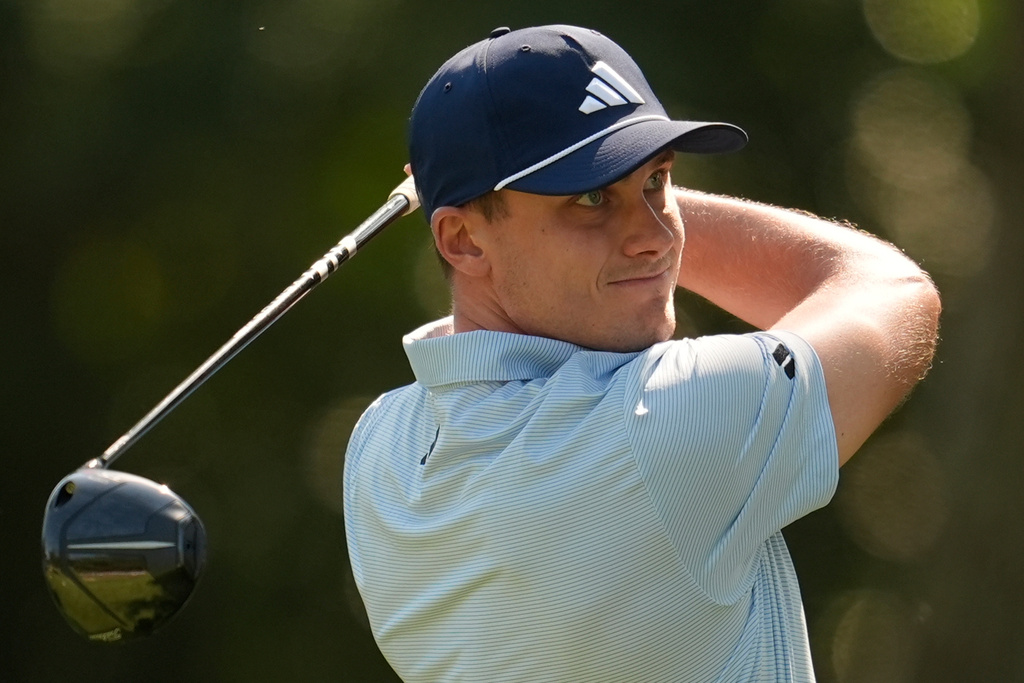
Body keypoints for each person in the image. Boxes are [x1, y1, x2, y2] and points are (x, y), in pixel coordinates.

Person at [343, 24, 941, 683]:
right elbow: (894, 291)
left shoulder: (379, 452)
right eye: (591, 198)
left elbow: (482, 327)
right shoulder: (659, 425)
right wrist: (644, 192)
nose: (655, 237)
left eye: (659, 182)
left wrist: (503, 196)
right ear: (461, 240)